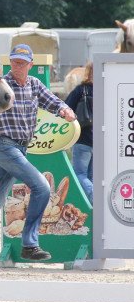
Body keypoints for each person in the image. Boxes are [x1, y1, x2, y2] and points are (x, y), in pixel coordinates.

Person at [0, 44, 76, 273]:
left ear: (30, 65)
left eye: (21, 63)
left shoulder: (35, 85)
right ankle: (29, 243)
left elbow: (53, 102)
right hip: (3, 146)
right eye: (14, 62)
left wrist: (65, 111)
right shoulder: (0, 85)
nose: (17, 66)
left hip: (20, 148)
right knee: (41, 187)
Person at [64, 61, 93, 203]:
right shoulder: (106, 89)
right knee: (92, 176)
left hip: (82, 139)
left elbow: (65, 108)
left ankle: (93, 197)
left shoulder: (80, 90)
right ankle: (93, 209)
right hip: (99, 141)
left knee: (79, 174)